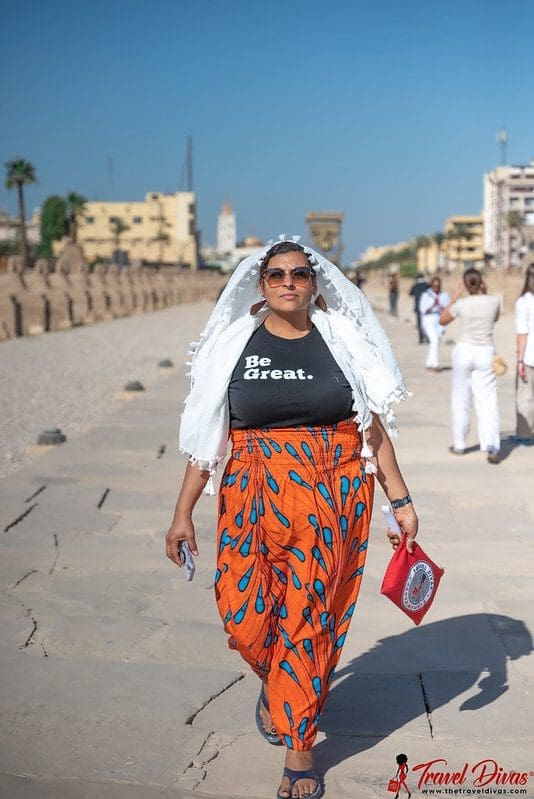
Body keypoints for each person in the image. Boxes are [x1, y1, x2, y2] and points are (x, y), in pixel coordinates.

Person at [165, 238, 418, 799]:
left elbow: (371, 429)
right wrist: (183, 512)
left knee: (309, 618)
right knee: (242, 617)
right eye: (277, 274)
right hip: (251, 493)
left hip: (332, 493)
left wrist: (400, 500)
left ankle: (299, 749)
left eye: (299, 274)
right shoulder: (235, 344)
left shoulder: (340, 340)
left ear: (313, 282)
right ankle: (281, 683)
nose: (288, 282)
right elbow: (208, 437)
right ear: (261, 284)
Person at [439, 269, 501, 463]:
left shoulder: (461, 304)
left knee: (460, 398)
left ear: (465, 285)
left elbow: (443, 319)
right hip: (486, 351)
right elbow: (495, 318)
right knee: (487, 399)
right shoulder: (494, 301)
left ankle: (459, 444)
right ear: (481, 282)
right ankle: (491, 445)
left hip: (464, 350)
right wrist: (485, 292)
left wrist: (455, 295)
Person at [515, 264, 534, 443]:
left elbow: (523, 333)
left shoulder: (524, 302)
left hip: (529, 356)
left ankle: (525, 434)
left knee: (525, 397)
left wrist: (520, 361)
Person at [419, 276, 450, 371]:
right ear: (431, 285)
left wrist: (441, 307)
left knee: (436, 342)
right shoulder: (426, 295)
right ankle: (435, 365)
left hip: (439, 320)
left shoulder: (444, 295)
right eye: (434, 285)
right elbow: (422, 309)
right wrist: (432, 305)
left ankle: (429, 363)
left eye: (438, 285)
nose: (436, 287)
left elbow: (448, 309)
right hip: (428, 319)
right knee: (434, 340)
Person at [409, 273, 429, 344]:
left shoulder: (415, 285)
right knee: (427, 322)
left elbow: (410, 294)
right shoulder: (427, 285)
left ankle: (421, 339)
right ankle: (428, 337)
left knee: (419, 323)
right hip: (427, 307)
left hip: (418, 307)